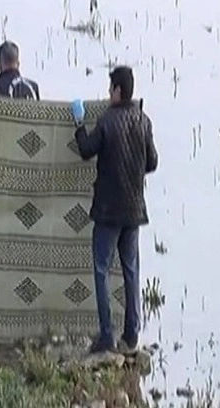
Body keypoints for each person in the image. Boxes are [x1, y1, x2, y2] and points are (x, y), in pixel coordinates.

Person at [70, 66, 158, 354]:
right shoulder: (143, 120)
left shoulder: (107, 121)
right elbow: (152, 163)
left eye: (110, 89)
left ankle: (107, 335)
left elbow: (86, 150)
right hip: (134, 210)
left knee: (101, 269)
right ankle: (132, 334)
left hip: (108, 210)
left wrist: (79, 123)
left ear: (119, 90)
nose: (108, 94)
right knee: (131, 270)